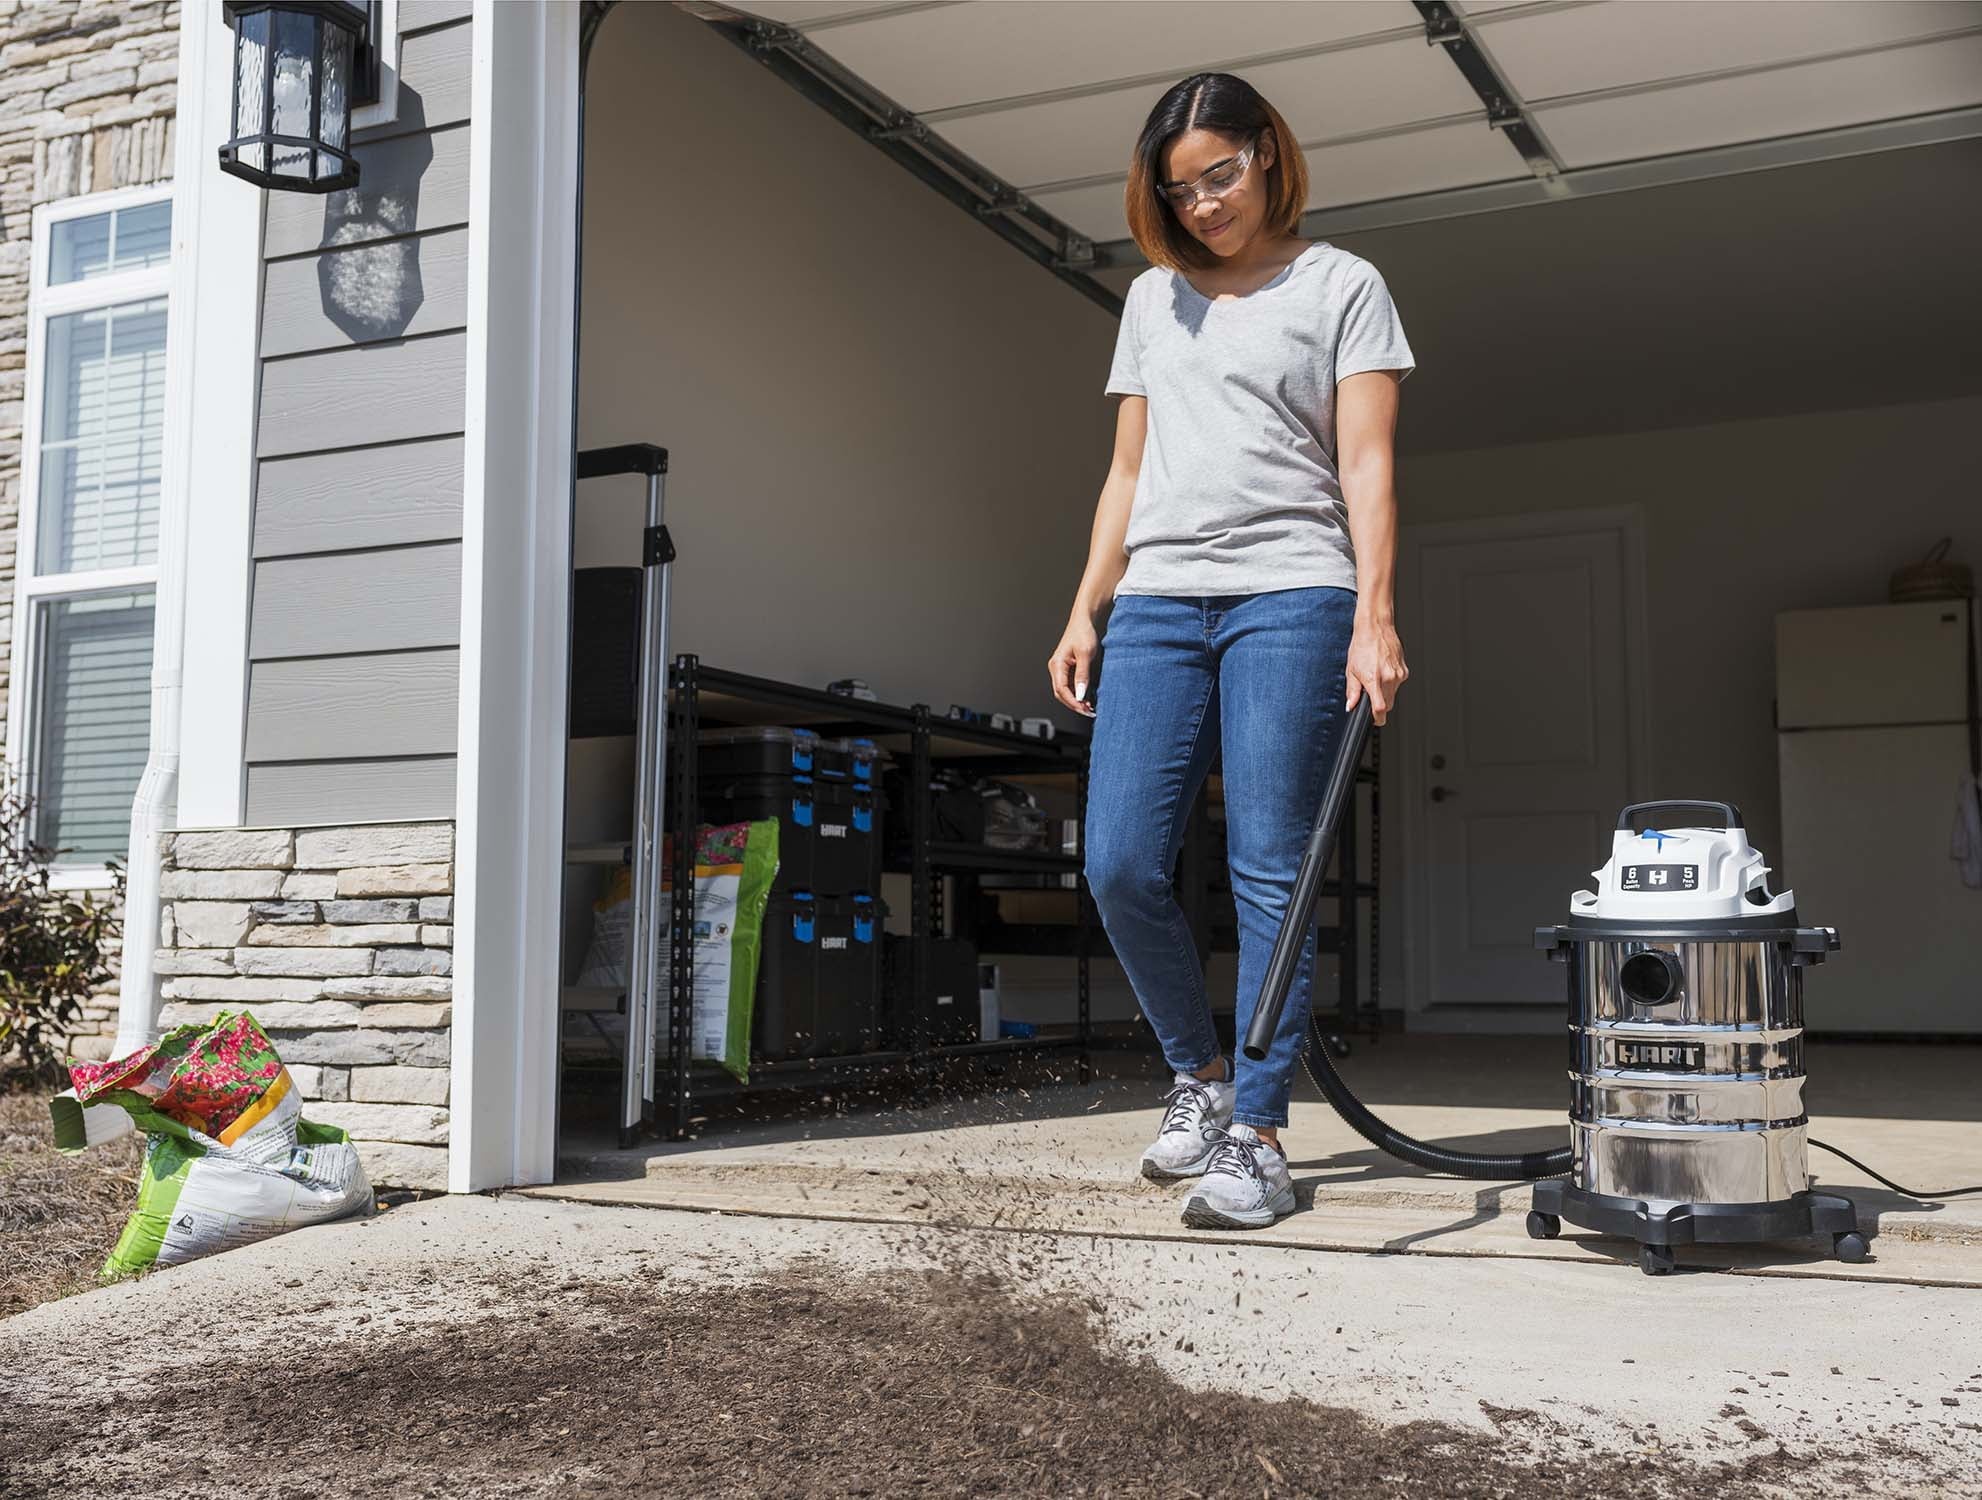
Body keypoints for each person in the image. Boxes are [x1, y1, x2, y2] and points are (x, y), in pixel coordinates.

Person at [1048, 73, 1413, 1230]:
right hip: (1158, 599)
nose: (1204, 202)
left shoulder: (1341, 284)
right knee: (1116, 862)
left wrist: (1374, 612)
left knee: (1269, 867)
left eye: (1221, 173)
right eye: (1179, 187)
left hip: (1292, 594)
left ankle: (1257, 1135)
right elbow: (1123, 473)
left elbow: (1363, 464)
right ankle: (1197, 1079)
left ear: (1266, 154)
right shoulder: (1154, 303)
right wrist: (1083, 607)